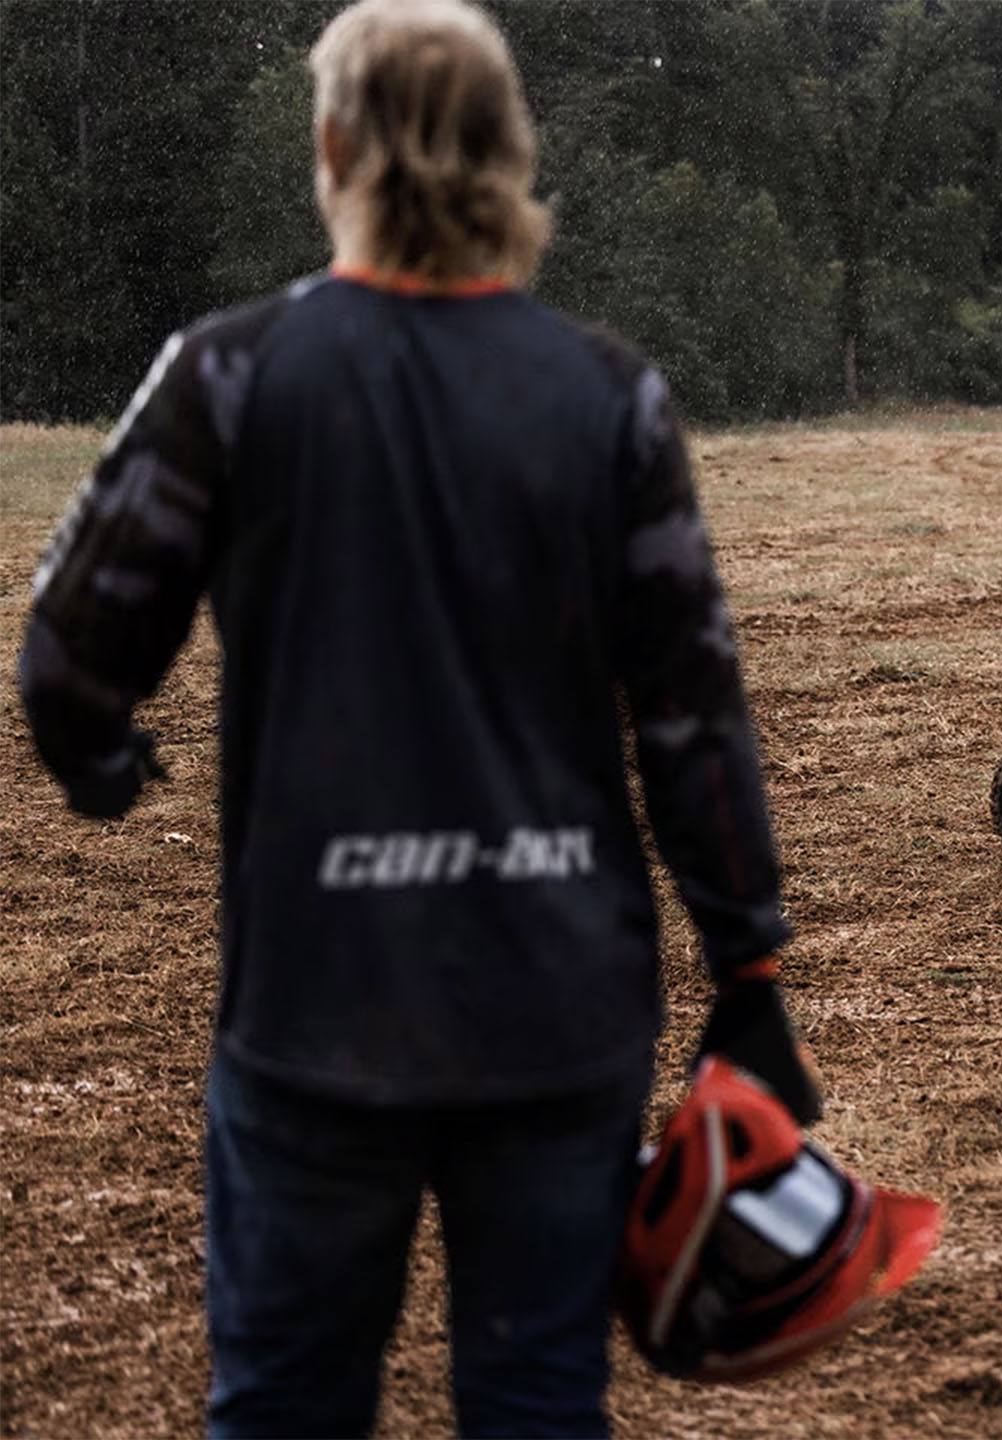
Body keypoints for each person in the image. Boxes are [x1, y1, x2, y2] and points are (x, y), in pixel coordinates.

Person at [15, 1, 817, 1433]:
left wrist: (102, 760)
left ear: (332, 148)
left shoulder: (232, 371)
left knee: (283, 1406)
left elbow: (69, 651)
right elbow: (692, 708)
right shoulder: (608, 395)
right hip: (560, 1011)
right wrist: (747, 977)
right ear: (511, 152)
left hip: (321, 1008)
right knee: (534, 1403)